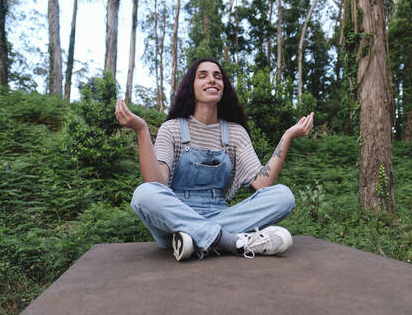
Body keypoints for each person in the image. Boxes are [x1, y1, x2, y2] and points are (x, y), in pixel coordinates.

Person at [114, 58, 314, 261]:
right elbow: (156, 183)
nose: (212, 80)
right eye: (203, 76)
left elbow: (262, 183)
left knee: (283, 196)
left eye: (217, 76)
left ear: (223, 88)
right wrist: (141, 130)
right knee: (143, 194)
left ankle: (194, 240)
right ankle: (232, 241)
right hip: (175, 218)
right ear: (191, 87)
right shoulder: (172, 128)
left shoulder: (236, 133)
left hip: (220, 216)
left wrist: (287, 136)